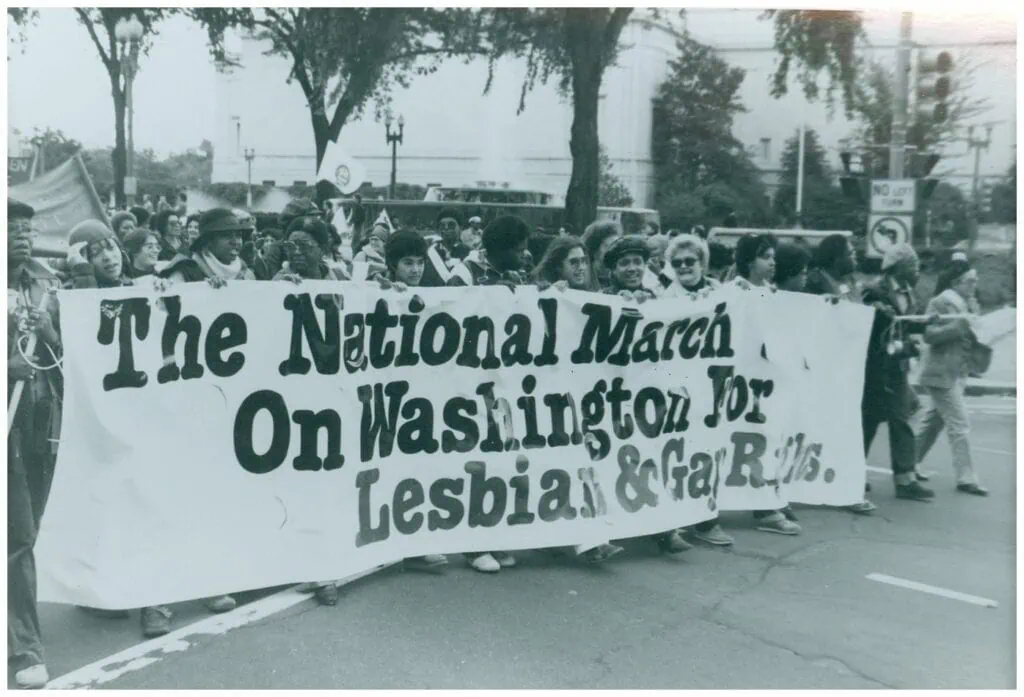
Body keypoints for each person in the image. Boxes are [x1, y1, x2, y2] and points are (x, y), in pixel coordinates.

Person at [447, 216, 532, 572]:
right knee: (475, 464)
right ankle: (472, 544)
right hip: (468, 385)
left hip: (500, 385)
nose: (525, 254)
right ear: (499, 250)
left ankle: (494, 536)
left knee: (500, 461)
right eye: (519, 248)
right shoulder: (462, 275)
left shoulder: (511, 277)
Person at [600, 235, 692, 554]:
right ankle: (606, 529)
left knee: (651, 458)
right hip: (611, 396)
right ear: (612, 269)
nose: (632, 268)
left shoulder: (656, 297)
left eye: (637, 262)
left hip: (646, 394)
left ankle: (663, 530)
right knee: (613, 461)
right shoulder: (603, 298)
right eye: (624, 263)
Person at [8, 198, 62, 689]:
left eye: (28, 229)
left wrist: (48, 335)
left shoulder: (47, 285)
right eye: (12, 229)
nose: (23, 237)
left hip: (40, 425)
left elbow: (71, 355)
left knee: (29, 531)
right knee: (18, 536)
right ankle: (26, 648)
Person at [732, 233, 802, 535]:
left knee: (768, 439)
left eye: (774, 257)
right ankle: (763, 508)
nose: (773, 263)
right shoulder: (734, 292)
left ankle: (768, 499)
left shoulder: (770, 293)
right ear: (750, 261)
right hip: (740, 383)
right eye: (766, 257)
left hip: (766, 382)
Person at [860, 243, 935, 502]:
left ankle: (904, 478)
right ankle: (855, 474)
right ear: (897, 267)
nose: (916, 269)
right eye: (912, 264)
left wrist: (924, 324)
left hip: (897, 369)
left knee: (895, 420)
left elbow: (904, 324)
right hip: (877, 369)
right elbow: (875, 332)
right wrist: (904, 346)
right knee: (870, 422)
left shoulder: (908, 293)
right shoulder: (875, 292)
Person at [914, 254, 989, 496]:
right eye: (970, 281)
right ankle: (966, 477)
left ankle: (907, 463)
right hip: (940, 372)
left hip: (957, 372)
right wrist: (956, 328)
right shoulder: (940, 301)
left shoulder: (970, 303)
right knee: (960, 423)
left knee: (933, 423)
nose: (974, 285)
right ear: (956, 282)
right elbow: (929, 335)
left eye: (975, 280)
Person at [160, 208, 256, 284]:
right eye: (226, 235)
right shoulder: (184, 273)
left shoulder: (247, 275)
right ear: (208, 241)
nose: (235, 242)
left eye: (238, 235)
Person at [448, 215, 530, 289]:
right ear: (500, 250)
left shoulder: (514, 273)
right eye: (519, 251)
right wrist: (491, 292)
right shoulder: (464, 272)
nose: (525, 255)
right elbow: (450, 304)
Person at [274, 217, 350, 282]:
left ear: (322, 250)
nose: (296, 252)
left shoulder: (339, 278)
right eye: (290, 246)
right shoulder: (279, 282)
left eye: (303, 246)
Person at [65, 220, 133, 289]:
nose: (107, 257)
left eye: (111, 247)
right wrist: (83, 274)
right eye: (95, 253)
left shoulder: (133, 284)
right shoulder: (69, 292)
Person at [805, 234, 859, 300]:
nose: (855, 257)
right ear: (837, 258)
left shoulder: (848, 279)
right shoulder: (815, 281)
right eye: (850, 254)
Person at [581, 220, 623, 291]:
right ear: (595, 249)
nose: (615, 251)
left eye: (617, 246)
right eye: (609, 246)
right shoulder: (582, 276)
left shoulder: (622, 274)